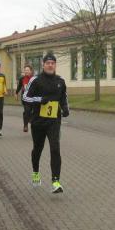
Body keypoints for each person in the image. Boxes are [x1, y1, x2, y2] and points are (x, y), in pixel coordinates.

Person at [22, 53, 69, 193]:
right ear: (43, 65)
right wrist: (38, 100)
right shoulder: (35, 80)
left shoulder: (60, 81)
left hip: (54, 121)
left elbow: (64, 98)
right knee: (38, 149)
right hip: (38, 122)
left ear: (55, 65)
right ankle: (35, 172)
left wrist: (65, 108)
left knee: (55, 148)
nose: (50, 65)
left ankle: (56, 181)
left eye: (52, 63)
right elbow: (25, 97)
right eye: (48, 63)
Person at [15, 64, 33, 132]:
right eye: (25, 70)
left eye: (27, 70)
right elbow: (19, 86)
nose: (26, 71)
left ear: (31, 71)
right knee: (27, 110)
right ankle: (25, 126)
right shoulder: (22, 78)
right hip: (25, 98)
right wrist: (16, 93)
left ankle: (29, 119)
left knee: (31, 112)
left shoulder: (34, 78)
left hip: (33, 98)